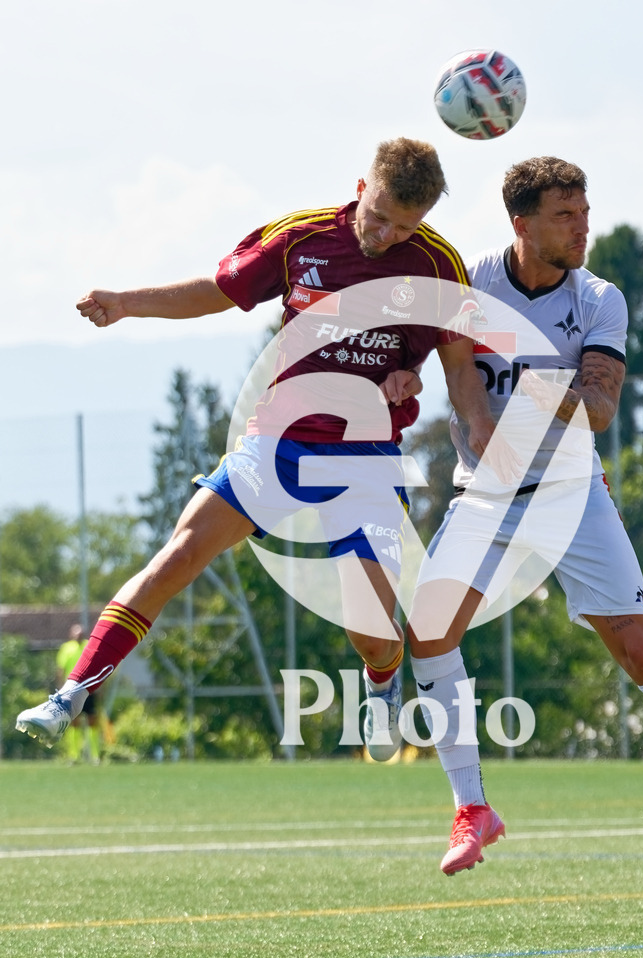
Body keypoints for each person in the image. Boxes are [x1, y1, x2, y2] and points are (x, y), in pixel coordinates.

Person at [16, 138, 498, 758]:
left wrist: (473, 430)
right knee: (180, 554)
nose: (385, 233)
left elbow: (460, 366)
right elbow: (218, 289)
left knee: (373, 636)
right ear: (360, 187)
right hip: (277, 440)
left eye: (405, 225)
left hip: (366, 458)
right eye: (378, 215)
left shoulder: (438, 266)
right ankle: (73, 692)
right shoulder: (300, 239)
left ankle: (382, 685)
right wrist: (126, 304)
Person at [404, 156, 643, 901]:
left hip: (573, 493)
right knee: (429, 629)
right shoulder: (469, 285)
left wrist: (522, 383)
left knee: (641, 653)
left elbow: (599, 408)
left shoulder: (599, 297)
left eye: (584, 213)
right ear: (522, 224)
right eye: (564, 217)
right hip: (487, 495)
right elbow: (446, 377)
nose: (582, 229)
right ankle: (471, 807)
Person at [56, 624, 101, 763]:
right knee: (74, 723)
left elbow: (97, 666)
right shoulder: (66, 648)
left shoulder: (90, 646)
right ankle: (74, 756)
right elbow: (60, 670)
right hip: (72, 691)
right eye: (76, 634)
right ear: (71, 635)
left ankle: (95, 756)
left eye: (81, 634)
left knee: (92, 722)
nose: (78, 636)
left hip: (88, 689)